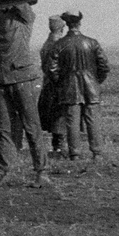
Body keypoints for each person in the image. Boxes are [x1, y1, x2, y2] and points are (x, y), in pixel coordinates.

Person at [0, 3, 50, 187]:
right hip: (8, 79)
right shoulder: (1, 23)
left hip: (14, 79)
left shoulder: (25, 16)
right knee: (6, 127)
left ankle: (39, 172)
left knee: (27, 126)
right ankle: (8, 170)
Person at [45, 10, 111, 162]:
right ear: (79, 23)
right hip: (91, 87)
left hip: (69, 87)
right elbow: (104, 66)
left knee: (72, 121)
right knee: (93, 120)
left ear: (67, 24)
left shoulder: (59, 44)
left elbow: (52, 69)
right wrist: (95, 81)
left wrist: (61, 83)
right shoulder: (92, 42)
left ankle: (75, 154)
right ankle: (97, 153)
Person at [38, 15, 67, 157]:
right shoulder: (58, 44)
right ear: (62, 28)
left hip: (48, 83)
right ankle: (59, 147)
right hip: (56, 84)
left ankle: (57, 146)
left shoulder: (47, 43)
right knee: (59, 116)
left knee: (56, 116)